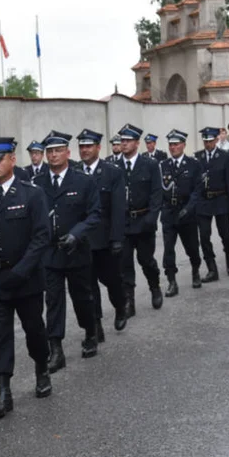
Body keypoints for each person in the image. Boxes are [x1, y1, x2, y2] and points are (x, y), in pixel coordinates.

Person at [0, 137, 53, 417]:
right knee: (1, 335)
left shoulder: (31, 194)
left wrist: (21, 271)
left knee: (34, 329)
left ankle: (42, 368)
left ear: (12, 159)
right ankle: (3, 390)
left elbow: (41, 236)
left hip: (27, 278)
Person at [34, 130, 102, 372]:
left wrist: (76, 233)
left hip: (77, 250)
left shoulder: (83, 181)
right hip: (50, 252)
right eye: (49, 151)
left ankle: (90, 332)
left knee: (82, 297)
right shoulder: (38, 183)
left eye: (58, 150)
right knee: (53, 301)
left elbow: (95, 214)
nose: (53, 155)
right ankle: (56, 349)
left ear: (67, 153)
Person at [74, 128, 128, 342]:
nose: (85, 150)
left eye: (88, 146)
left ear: (98, 147)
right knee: (88, 286)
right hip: (82, 240)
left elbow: (117, 208)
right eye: (81, 147)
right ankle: (95, 325)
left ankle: (120, 305)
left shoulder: (112, 172)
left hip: (105, 240)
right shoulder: (74, 171)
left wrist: (117, 238)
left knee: (112, 280)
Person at [116, 123, 164, 312]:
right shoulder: (115, 165)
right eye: (122, 141)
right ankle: (129, 301)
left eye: (128, 141)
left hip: (143, 220)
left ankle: (155, 287)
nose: (124, 144)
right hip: (124, 223)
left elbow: (156, 193)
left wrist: (152, 218)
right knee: (124, 263)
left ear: (137, 143)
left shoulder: (150, 165)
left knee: (146, 260)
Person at [159, 128, 203, 295]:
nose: (172, 148)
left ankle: (195, 270)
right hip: (169, 213)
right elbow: (159, 191)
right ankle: (171, 281)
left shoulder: (194, 165)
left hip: (187, 213)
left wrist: (188, 209)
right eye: (170, 145)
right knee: (168, 249)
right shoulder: (163, 166)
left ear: (183, 145)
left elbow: (197, 191)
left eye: (176, 144)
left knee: (192, 247)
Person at [193, 126, 229, 278]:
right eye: (205, 141)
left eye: (210, 141)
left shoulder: (225, 157)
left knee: (225, 234)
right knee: (204, 237)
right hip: (204, 201)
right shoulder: (198, 157)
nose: (207, 144)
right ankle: (211, 268)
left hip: (220, 199)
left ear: (216, 140)